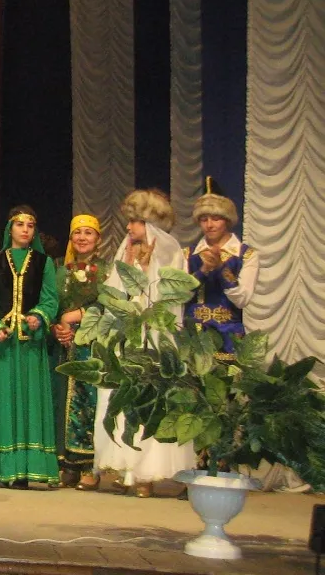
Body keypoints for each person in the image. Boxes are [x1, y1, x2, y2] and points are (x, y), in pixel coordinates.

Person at [94, 189, 194, 498]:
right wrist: (125, 267)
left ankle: (146, 474)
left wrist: (149, 269)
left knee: (151, 398)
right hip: (128, 334)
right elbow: (113, 295)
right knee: (122, 396)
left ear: (150, 224)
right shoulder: (126, 249)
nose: (128, 227)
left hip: (155, 335)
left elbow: (173, 297)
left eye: (135, 221)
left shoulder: (171, 251)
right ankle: (125, 468)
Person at [0, 205, 60, 488]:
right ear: (11, 229)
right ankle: (1, 468)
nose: (25, 230)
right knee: (3, 402)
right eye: (20, 225)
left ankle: (28, 469)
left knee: (31, 401)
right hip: (3, 344)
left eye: (30, 226)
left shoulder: (44, 263)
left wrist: (39, 317)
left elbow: (50, 299)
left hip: (30, 345)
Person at [52, 214, 107, 490]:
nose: (82, 238)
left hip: (92, 344)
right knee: (61, 400)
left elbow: (110, 302)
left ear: (98, 238)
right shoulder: (60, 270)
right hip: (63, 344)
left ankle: (89, 466)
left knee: (87, 402)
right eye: (77, 233)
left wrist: (78, 315)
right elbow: (51, 302)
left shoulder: (106, 271)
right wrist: (57, 326)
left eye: (88, 233)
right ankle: (67, 464)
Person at [185, 186, 259, 359]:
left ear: (227, 220)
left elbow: (242, 299)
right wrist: (203, 271)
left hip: (228, 336)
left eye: (216, 219)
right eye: (204, 219)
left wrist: (221, 268)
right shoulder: (188, 254)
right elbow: (182, 295)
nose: (209, 225)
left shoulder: (246, 255)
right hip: (194, 336)